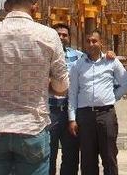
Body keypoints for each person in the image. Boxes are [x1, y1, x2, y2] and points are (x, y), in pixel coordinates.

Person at [0, 0, 69, 175]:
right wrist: (45, 84)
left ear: (6, 6)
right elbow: (62, 86)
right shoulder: (48, 35)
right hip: (32, 127)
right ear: (35, 7)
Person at [68, 30, 127, 175]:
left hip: (106, 114)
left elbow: (126, 85)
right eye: (88, 41)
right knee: (87, 159)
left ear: (101, 42)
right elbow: (73, 93)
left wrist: (111, 97)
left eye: (94, 41)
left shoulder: (111, 61)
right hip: (85, 116)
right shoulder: (77, 65)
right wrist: (72, 119)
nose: (91, 44)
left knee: (109, 157)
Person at [48, 23, 83, 175]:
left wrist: (109, 54)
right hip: (49, 111)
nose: (61, 37)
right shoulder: (43, 55)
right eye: (58, 34)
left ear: (69, 37)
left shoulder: (78, 56)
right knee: (48, 153)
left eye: (64, 35)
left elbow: (95, 60)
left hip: (70, 112)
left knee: (71, 154)